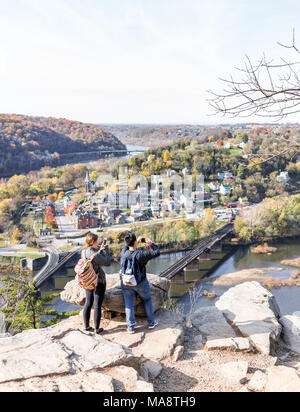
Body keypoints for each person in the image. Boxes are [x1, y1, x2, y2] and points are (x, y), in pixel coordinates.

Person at [120, 232, 160, 334]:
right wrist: (149, 242)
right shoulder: (141, 255)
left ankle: (131, 327)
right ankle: (151, 323)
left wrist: (133, 242)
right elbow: (157, 252)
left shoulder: (124, 252)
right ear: (135, 242)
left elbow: (126, 246)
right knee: (147, 300)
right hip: (140, 283)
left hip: (126, 283)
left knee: (129, 305)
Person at [82, 233, 112, 334]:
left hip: (88, 280)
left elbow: (93, 259)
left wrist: (100, 250)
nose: (98, 242)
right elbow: (107, 262)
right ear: (94, 242)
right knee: (97, 305)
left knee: (88, 303)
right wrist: (106, 249)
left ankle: (86, 326)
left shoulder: (84, 252)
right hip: (98, 281)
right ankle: (97, 329)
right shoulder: (95, 255)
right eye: (97, 241)